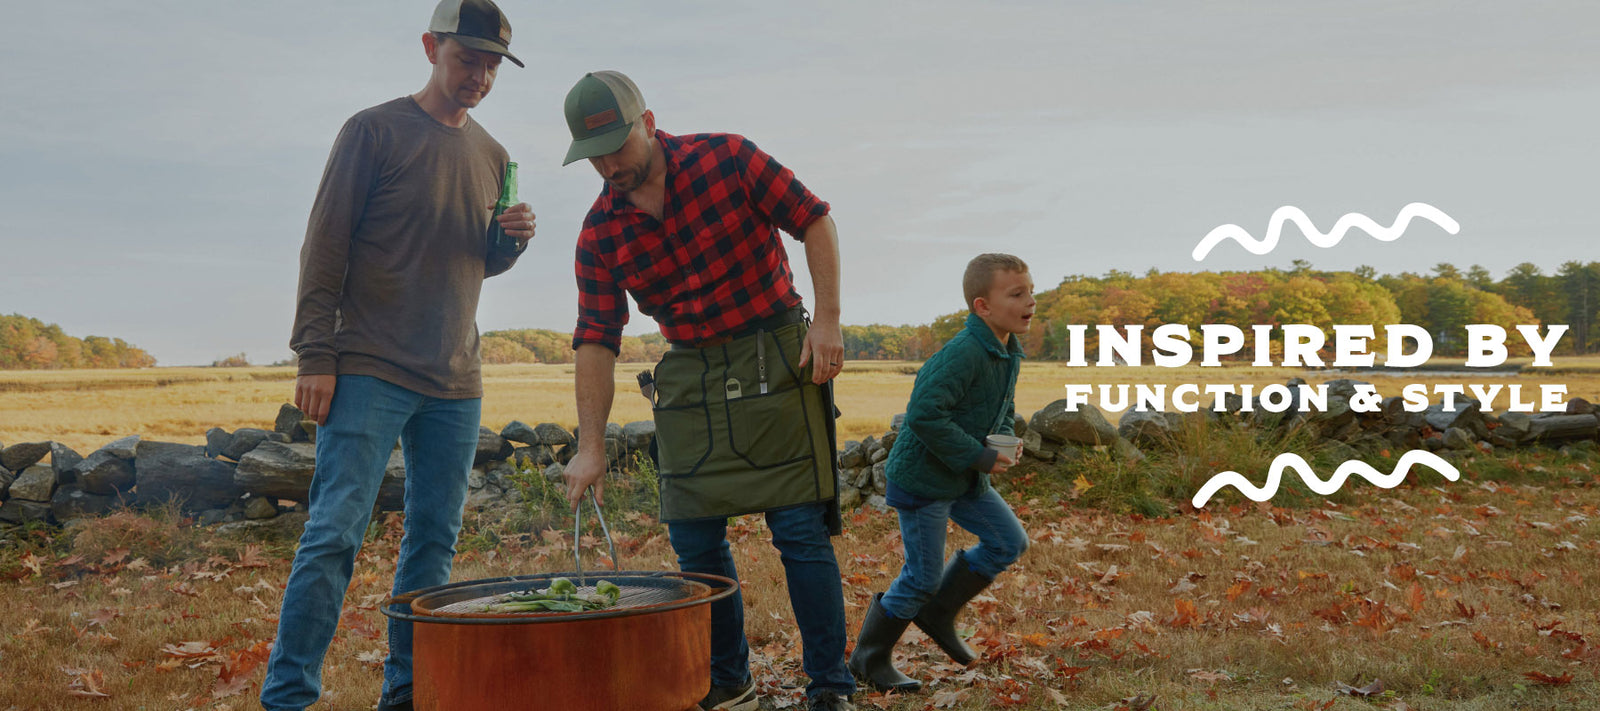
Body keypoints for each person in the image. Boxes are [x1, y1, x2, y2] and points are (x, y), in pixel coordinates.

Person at [261, 1, 535, 709]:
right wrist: (314, 353)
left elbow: (474, 261)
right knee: (333, 533)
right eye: (465, 58)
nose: (478, 75)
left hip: (456, 378)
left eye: (491, 64)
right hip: (369, 367)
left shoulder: (494, 155)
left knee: (433, 548)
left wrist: (508, 241)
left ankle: (408, 693)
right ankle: (289, 695)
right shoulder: (373, 130)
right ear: (430, 47)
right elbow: (324, 245)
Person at [558, 70, 856, 711]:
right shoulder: (599, 233)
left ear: (649, 122)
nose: (609, 163)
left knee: (799, 528)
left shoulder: (728, 157)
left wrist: (827, 321)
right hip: (688, 366)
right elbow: (595, 338)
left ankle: (830, 687)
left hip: (774, 350)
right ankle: (729, 680)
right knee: (693, 535)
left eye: (618, 143)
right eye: (595, 155)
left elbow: (815, 220)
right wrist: (590, 446)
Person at [847, 254, 1033, 692]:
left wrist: (1003, 441)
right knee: (921, 577)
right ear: (982, 306)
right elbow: (925, 416)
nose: (1030, 301)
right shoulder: (963, 353)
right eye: (1017, 293)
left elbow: (1001, 410)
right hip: (924, 481)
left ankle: (938, 614)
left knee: (1009, 541)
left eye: (1031, 291)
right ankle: (868, 659)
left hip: (965, 477)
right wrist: (979, 456)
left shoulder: (1008, 352)